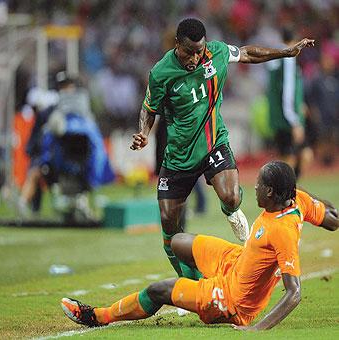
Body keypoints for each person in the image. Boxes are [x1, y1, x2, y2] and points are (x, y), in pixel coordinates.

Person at [130, 18, 315, 278]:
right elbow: (148, 109)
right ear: (176, 45)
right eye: (188, 52)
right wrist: (143, 133)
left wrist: (285, 52)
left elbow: (248, 53)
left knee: (231, 196)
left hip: (214, 141)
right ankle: (190, 280)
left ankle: (232, 211)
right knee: (169, 226)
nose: (195, 58)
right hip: (179, 155)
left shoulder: (215, 52)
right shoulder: (161, 72)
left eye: (199, 51)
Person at [61, 161, 339, 330]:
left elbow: (294, 294)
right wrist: (310, 199)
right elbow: (332, 220)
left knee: (158, 290)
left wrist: (256, 330)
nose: (253, 187)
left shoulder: (283, 232)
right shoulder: (296, 199)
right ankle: (196, 289)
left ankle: (98, 316)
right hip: (236, 262)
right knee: (179, 241)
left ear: (270, 192)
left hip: (233, 302)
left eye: (258, 184)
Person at [267, 28, 313, 178]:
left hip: (280, 117)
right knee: (291, 160)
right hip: (287, 119)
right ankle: (286, 191)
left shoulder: (275, 56)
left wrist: (300, 104)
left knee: (299, 155)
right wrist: (294, 121)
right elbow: (287, 90)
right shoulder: (288, 57)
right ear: (295, 41)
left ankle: (290, 189)